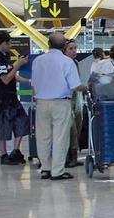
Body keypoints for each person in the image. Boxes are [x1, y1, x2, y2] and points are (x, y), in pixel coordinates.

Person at [30, 32, 86, 180]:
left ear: (48, 44)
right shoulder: (67, 62)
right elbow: (75, 85)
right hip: (61, 103)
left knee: (43, 137)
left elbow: (34, 83)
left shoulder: (38, 60)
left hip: (41, 102)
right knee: (60, 137)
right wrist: (85, 87)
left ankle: (45, 168)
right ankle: (57, 171)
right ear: (63, 46)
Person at [0, 31, 29, 166]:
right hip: (2, 98)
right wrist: (17, 65)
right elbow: (6, 79)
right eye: (9, 43)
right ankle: (4, 154)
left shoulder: (4, 57)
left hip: (12, 97)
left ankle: (16, 150)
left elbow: (11, 75)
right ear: (3, 43)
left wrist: (28, 81)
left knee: (22, 121)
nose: (11, 46)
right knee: (4, 125)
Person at [63, 39, 84, 169]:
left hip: (77, 96)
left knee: (78, 122)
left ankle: (74, 153)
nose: (74, 51)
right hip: (67, 97)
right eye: (71, 48)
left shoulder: (76, 63)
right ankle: (69, 154)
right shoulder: (63, 64)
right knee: (70, 127)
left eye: (75, 48)